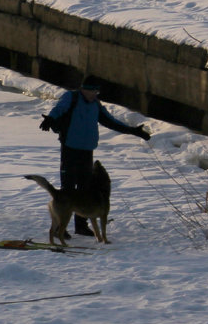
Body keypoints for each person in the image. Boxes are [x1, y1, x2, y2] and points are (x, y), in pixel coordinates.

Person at [39, 76, 151, 237]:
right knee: (68, 189)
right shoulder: (72, 97)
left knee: (85, 190)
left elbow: (111, 121)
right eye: (92, 91)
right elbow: (60, 108)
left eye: (96, 91)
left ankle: (81, 226)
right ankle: (59, 228)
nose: (94, 94)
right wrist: (51, 118)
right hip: (70, 148)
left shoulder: (96, 105)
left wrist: (133, 131)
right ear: (84, 88)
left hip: (87, 150)